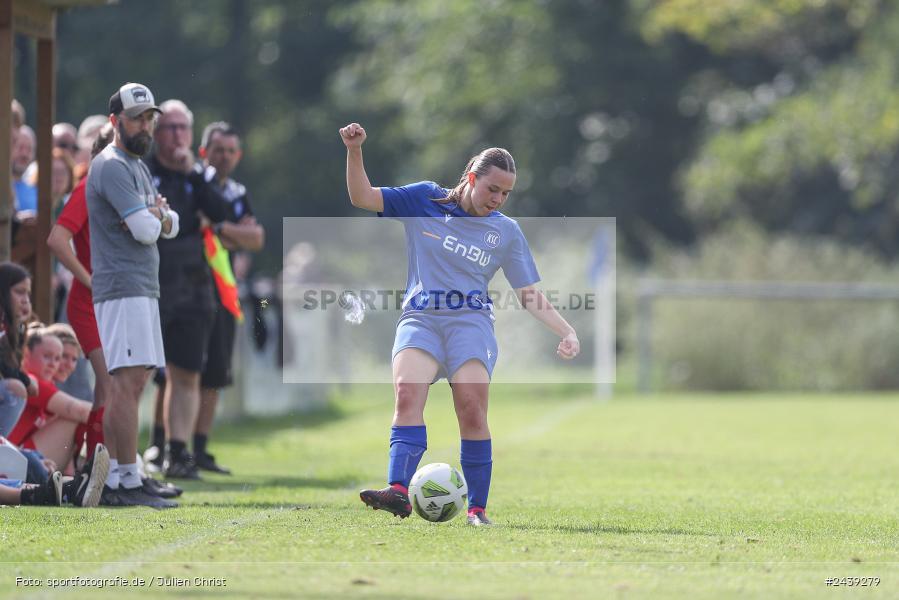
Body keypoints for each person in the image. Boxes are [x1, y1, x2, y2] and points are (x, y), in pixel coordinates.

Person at [339, 123, 580, 526]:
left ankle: (476, 510)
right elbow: (362, 196)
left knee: (470, 409)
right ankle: (398, 491)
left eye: (506, 193)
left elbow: (528, 294)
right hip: (420, 319)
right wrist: (355, 150)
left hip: (470, 324)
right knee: (406, 395)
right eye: (492, 190)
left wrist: (566, 330)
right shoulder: (425, 198)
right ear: (471, 178)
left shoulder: (506, 231)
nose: (498, 200)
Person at [86, 82, 180, 508]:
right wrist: (154, 217)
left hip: (141, 287)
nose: (145, 125)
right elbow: (147, 228)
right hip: (121, 288)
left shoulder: (136, 165)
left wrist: (154, 216)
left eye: (149, 118)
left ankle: (128, 474)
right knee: (124, 385)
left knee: (137, 380)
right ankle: (122, 481)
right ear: (115, 122)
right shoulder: (111, 166)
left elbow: (166, 222)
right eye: (137, 118)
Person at [143, 100, 228, 480]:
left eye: (182, 128)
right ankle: (134, 451)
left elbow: (223, 211)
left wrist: (193, 172)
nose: (176, 135)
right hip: (149, 281)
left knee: (188, 373)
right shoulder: (142, 170)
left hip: (193, 286)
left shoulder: (199, 175)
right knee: (137, 372)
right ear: (155, 132)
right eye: (168, 127)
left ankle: (178, 454)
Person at [190, 121, 264, 474]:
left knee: (216, 372)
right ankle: (165, 446)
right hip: (187, 287)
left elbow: (256, 239)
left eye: (230, 150)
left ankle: (200, 449)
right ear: (204, 152)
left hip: (223, 291)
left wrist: (219, 229)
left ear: (239, 155)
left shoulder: (237, 192)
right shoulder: (193, 185)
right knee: (181, 370)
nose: (224, 156)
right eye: (218, 149)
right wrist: (236, 235)